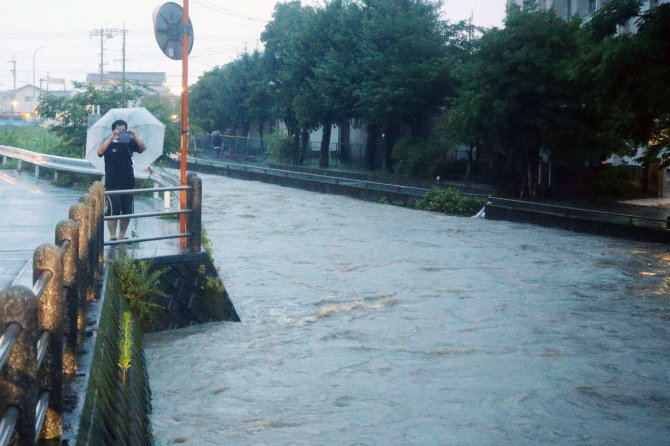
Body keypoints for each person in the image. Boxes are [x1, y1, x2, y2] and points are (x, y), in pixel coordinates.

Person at [96, 119, 146, 240]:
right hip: (112, 182)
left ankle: (122, 234)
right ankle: (113, 236)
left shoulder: (129, 142)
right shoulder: (108, 142)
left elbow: (143, 148)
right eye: (118, 130)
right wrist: (111, 138)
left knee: (127, 211)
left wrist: (135, 137)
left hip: (128, 181)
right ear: (113, 130)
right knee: (113, 211)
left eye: (123, 130)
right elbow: (99, 151)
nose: (121, 132)